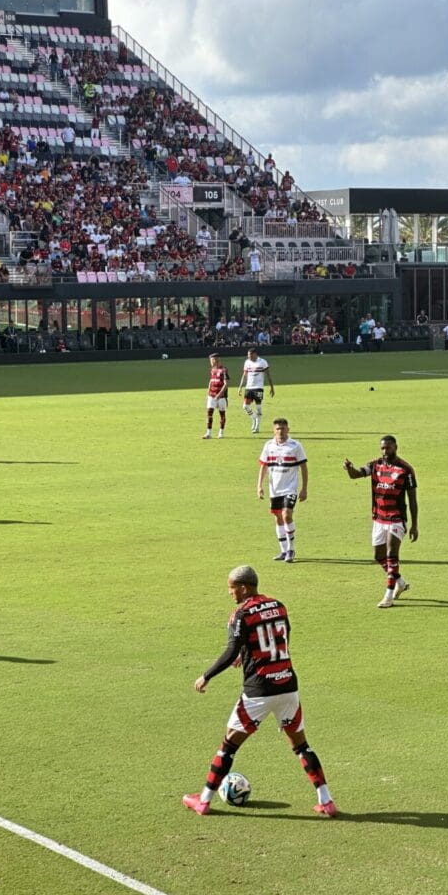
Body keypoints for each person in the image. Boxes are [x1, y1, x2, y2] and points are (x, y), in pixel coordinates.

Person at [182, 564, 337, 817]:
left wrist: (206, 675)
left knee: (228, 746)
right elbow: (281, 637)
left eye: (231, 588)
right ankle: (327, 801)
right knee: (301, 746)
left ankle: (204, 800)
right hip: (288, 685)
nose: (230, 593)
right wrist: (248, 654)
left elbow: (231, 650)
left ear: (243, 587)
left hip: (259, 690)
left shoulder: (241, 614)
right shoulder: (279, 605)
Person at [343, 436, 418, 608]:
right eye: (383, 448)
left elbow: (413, 499)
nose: (385, 452)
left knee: (392, 556)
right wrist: (349, 469)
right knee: (379, 556)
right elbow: (356, 475)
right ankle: (399, 582)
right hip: (379, 517)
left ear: (395, 447)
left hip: (396, 518)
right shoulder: (375, 465)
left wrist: (414, 524)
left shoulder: (405, 470)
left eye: (388, 448)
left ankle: (388, 595)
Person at [257, 419, 308, 563]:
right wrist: (259, 486)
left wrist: (304, 489)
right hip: (275, 489)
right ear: (274, 430)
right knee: (278, 518)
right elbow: (264, 466)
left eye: (283, 428)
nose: (281, 431)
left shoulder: (295, 446)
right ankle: (283, 550)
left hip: (290, 488)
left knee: (286, 515)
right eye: (278, 429)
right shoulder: (268, 446)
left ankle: (291, 549)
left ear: (288, 430)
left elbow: (304, 467)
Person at [238, 347, 274, 434]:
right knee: (245, 406)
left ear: (255, 354)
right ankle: (254, 418)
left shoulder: (262, 362)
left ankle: (257, 426)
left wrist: (272, 387)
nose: (249, 357)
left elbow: (268, 375)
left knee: (258, 407)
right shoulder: (247, 362)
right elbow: (244, 375)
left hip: (258, 387)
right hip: (249, 387)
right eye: (248, 355)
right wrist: (240, 387)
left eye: (250, 355)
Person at [202, 353, 229, 439]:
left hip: (221, 397)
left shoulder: (224, 370)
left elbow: (226, 384)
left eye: (211, 360)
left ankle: (221, 432)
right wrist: (208, 393)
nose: (210, 362)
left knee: (222, 414)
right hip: (212, 395)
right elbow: (211, 381)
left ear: (215, 360)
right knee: (209, 413)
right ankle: (208, 433)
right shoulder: (212, 369)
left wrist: (219, 394)